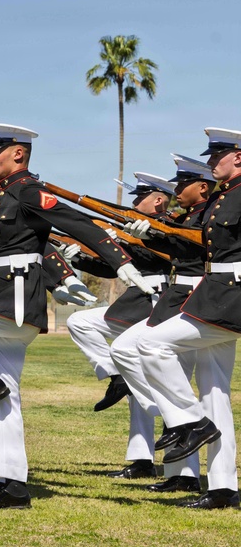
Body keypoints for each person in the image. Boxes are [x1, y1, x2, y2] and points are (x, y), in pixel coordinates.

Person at [0, 123, 154, 509]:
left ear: (18, 155)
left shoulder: (26, 190)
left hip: (9, 299)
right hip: (3, 299)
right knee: (5, 397)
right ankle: (12, 484)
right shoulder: (5, 196)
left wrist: (120, 261)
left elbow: (78, 223)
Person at [131, 128, 241, 509]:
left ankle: (191, 422)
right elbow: (195, 245)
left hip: (230, 296)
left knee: (150, 342)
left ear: (238, 158)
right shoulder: (223, 198)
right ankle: (223, 488)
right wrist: (151, 237)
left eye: (217, 158)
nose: (211, 164)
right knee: (215, 394)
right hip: (214, 294)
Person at [109, 154, 215, 494]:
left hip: (198, 296)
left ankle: (187, 471)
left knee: (204, 389)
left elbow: (191, 249)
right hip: (180, 295)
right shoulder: (188, 217)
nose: (176, 189)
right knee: (127, 349)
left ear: (202, 187)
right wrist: (148, 235)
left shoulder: (205, 217)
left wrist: (151, 236)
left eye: (182, 184)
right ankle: (179, 453)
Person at [63, 173, 174, 479]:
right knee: (80, 322)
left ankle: (167, 445)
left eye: (140, 197)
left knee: (153, 381)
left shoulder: (169, 226)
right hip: (135, 300)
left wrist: (129, 236)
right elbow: (115, 265)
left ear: (159, 199)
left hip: (155, 302)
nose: (134, 203)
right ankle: (140, 458)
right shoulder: (136, 228)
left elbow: (165, 256)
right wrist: (80, 257)